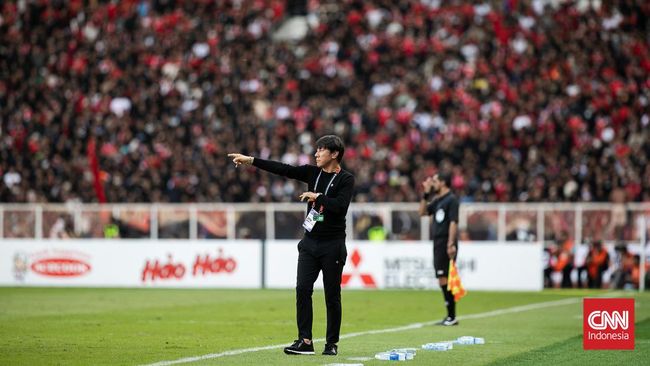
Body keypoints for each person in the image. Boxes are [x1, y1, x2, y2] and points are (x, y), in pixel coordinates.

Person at [228, 135, 355, 356]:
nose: (316, 154)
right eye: (316, 150)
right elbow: (283, 169)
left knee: (332, 295)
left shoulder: (346, 179)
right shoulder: (312, 172)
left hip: (332, 245)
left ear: (334, 154)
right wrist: (252, 160)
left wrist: (317, 197)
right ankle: (305, 340)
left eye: (321, 150)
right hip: (309, 243)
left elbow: (340, 207)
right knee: (303, 289)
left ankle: (331, 343)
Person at [419, 171, 460, 326]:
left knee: (445, 278)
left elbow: (453, 222)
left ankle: (452, 316)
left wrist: (451, 243)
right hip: (437, 242)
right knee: (442, 278)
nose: (433, 183)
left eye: (435, 181)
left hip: (445, 242)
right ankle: (450, 316)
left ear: (443, 182)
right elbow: (422, 212)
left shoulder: (451, 200)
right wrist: (425, 194)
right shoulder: (437, 201)